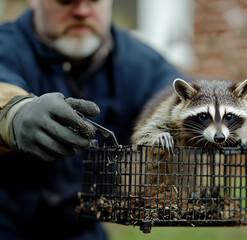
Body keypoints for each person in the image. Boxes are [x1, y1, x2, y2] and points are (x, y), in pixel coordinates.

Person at [0, 0, 185, 239]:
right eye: (66, 0)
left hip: (85, 229)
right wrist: (14, 113)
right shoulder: (8, 46)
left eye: (94, 0)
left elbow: (183, 98)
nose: (82, 11)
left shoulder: (140, 64)